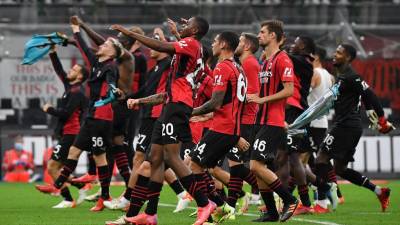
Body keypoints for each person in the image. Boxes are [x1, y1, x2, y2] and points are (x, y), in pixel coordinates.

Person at [110, 17, 214, 225]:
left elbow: (161, 45)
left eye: (187, 25)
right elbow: (176, 53)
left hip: (177, 106)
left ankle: (205, 203)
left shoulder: (192, 44)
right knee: (154, 160)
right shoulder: (192, 48)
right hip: (171, 104)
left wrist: (129, 34)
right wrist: (140, 101)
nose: (182, 26)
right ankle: (149, 214)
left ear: (194, 30)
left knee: (171, 156)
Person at [51, 16, 123, 212]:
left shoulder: (110, 68)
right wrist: (75, 29)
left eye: (107, 43)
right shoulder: (98, 63)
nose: (102, 44)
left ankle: (60, 186)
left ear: (112, 52)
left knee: (93, 156)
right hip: (93, 117)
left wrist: (112, 91)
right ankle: (100, 196)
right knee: (86, 154)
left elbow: (111, 83)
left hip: (101, 118)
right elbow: (83, 47)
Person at [313, 44, 394, 213]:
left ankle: (322, 203)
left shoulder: (351, 76)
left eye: (339, 53)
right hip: (349, 125)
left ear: (348, 58)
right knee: (340, 169)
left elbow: (369, 94)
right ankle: (379, 191)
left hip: (346, 125)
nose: (334, 55)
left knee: (321, 159)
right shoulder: (342, 75)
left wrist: (381, 119)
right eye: (335, 51)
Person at [69, 16, 135, 202]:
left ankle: (126, 189)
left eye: (110, 42)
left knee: (114, 146)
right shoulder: (118, 59)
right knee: (111, 146)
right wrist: (79, 30)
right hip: (115, 104)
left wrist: (82, 26)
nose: (103, 43)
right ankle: (108, 187)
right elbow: (99, 46)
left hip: (120, 105)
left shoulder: (126, 57)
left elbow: (101, 44)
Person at [189, 31, 250, 223]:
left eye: (215, 41)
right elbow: (229, 103)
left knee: (194, 164)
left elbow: (216, 102)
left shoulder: (223, 68)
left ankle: (214, 205)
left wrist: (190, 111)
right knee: (204, 166)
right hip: (229, 127)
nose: (213, 44)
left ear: (223, 44)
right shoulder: (238, 68)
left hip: (222, 128)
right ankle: (216, 207)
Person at [246, 19, 299, 222]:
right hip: (261, 121)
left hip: (272, 122)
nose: (259, 35)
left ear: (273, 36)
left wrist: (261, 99)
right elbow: (265, 90)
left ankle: (289, 199)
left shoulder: (283, 59)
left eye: (262, 32)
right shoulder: (265, 61)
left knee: (255, 166)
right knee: (258, 168)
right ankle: (271, 212)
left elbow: (289, 90)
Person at [35, 44, 90, 208]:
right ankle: (80, 185)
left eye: (74, 70)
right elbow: (59, 71)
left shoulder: (77, 93)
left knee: (52, 166)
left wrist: (49, 109)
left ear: (79, 77)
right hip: (66, 133)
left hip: (71, 134)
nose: (69, 71)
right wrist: (53, 53)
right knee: (58, 168)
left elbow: (66, 114)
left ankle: (68, 200)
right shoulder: (70, 88)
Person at [276, 35, 316, 215]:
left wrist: (276, 45)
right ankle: (298, 202)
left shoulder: (304, 61)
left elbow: (279, 56)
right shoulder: (298, 60)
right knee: (286, 158)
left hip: (295, 112)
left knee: (288, 158)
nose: (293, 45)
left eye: (297, 42)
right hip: (289, 111)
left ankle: (300, 203)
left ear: (305, 46)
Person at [224, 32, 261, 216]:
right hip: (240, 119)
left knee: (235, 163)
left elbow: (252, 94)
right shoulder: (245, 63)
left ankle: (275, 192)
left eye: (239, 42)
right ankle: (230, 206)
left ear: (246, 46)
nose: (236, 45)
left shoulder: (250, 64)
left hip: (245, 120)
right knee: (235, 163)